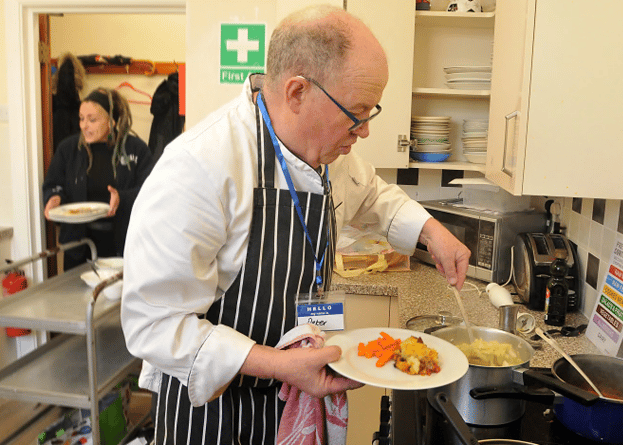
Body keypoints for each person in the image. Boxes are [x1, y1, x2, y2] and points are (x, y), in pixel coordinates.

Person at [121, 5, 470, 445]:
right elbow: (151, 324)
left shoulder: (324, 150)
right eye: (357, 112)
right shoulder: (199, 168)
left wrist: (431, 231)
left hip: (294, 398)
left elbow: (373, 193)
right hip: (215, 410)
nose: (363, 131)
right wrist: (279, 365)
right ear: (298, 92)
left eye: (371, 112)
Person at [43, 87, 154, 270]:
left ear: (111, 122)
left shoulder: (135, 149)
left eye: (92, 120)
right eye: (81, 118)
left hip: (124, 248)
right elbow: (53, 184)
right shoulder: (68, 150)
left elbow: (151, 190)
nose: (83, 125)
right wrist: (53, 198)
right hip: (79, 248)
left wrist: (122, 198)